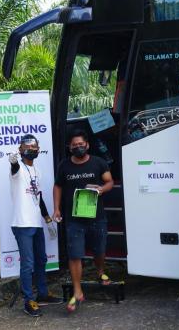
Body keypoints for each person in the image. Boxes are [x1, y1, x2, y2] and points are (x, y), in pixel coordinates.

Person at [53, 129, 114, 313]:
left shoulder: (98, 162)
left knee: (100, 250)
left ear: (87, 145)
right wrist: (56, 208)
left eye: (81, 144)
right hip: (74, 219)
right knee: (75, 254)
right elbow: (58, 186)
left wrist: (101, 190)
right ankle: (78, 290)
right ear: (69, 147)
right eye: (74, 145)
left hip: (97, 217)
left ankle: (100, 271)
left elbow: (109, 181)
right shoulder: (64, 166)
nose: (78, 147)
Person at [9, 134, 62, 317]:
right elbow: (14, 167)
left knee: (41, 260)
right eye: (28, 146)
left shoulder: (37, 171)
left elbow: (38, 197)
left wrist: (47, 220)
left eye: (35, 147)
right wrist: (13, 162)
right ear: (21, 149)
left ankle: (43, 294)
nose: (32, 149)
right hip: (22, 224)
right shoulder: (18, 170)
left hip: (36, 223)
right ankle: (28, 301)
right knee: (28, 264)